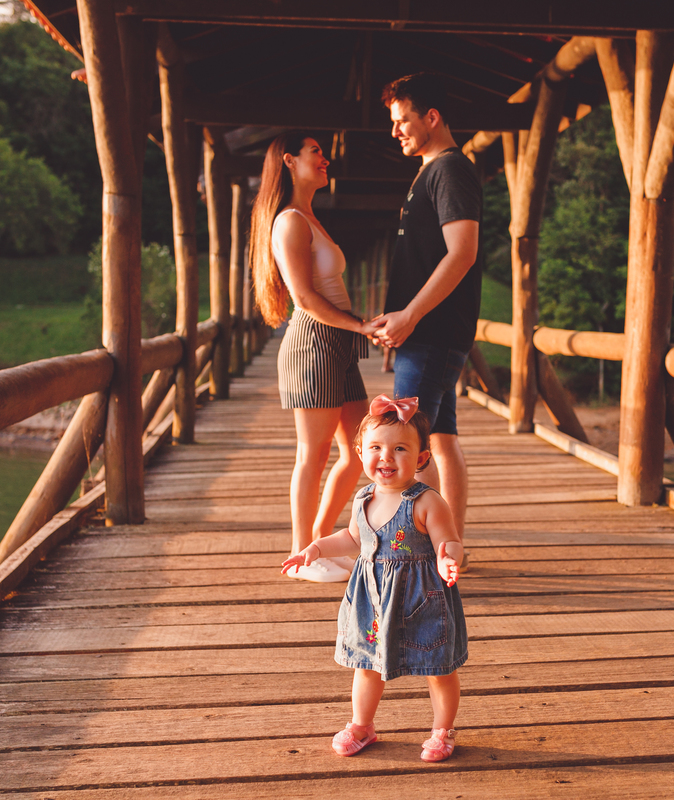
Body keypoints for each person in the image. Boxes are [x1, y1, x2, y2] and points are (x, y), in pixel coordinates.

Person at [282, 394, 467, 762]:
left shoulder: (427, 501)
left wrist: (448, 560)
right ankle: (362, 724)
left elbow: (449, 541)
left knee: (438, 668)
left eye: (400, 448)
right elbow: (354, 538)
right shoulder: (363, 497)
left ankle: (442, 730)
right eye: (376, 447)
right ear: (360, 451)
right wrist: (315, 549)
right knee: (366, 664)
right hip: (372, 597)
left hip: (421, 598)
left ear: (421, 459)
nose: (387, 456)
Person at [251, 131, 379, 583]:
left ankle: (321, 540)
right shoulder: (289, 221)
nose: (325, 159)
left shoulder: (310, 217)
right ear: (289, 160)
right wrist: (362, 325)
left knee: (360, 451)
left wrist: (362, 326)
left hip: (338, 343)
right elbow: (304, 298)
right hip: (313, 344)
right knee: (313, 452)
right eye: (315, 152)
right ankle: (299, 555)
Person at [370, 73, 482, 566]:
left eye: (402, 121)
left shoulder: (450, 171)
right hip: (430, 332)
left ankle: (416, 553)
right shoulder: (429, 171)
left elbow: (463, 253)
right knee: (441, 438)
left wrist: (411, 315)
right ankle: (448, 548)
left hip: (432, 332)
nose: (395, 132)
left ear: (431, 117)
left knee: (401, 443)